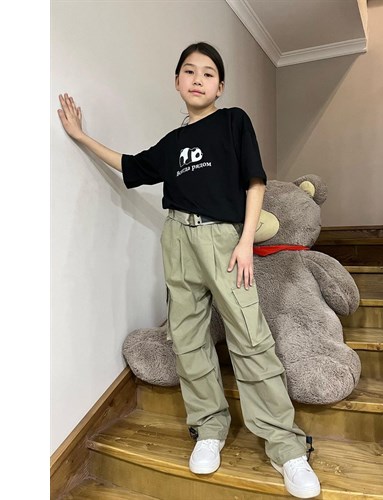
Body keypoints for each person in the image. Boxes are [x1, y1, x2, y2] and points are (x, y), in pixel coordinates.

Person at [57, 41, 321, 499]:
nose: (198, 79)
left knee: (250, 335)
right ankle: (209, 428)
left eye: (208, 73)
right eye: (189, 71)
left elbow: (255, 182)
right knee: (188, 336)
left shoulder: (233, 121)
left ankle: (286, 447)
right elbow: (130, 165)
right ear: (177, 81)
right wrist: (81, 136)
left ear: (220, 86)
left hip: (224, 238)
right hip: (177, 237)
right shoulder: (173, 143)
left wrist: (245, 241)